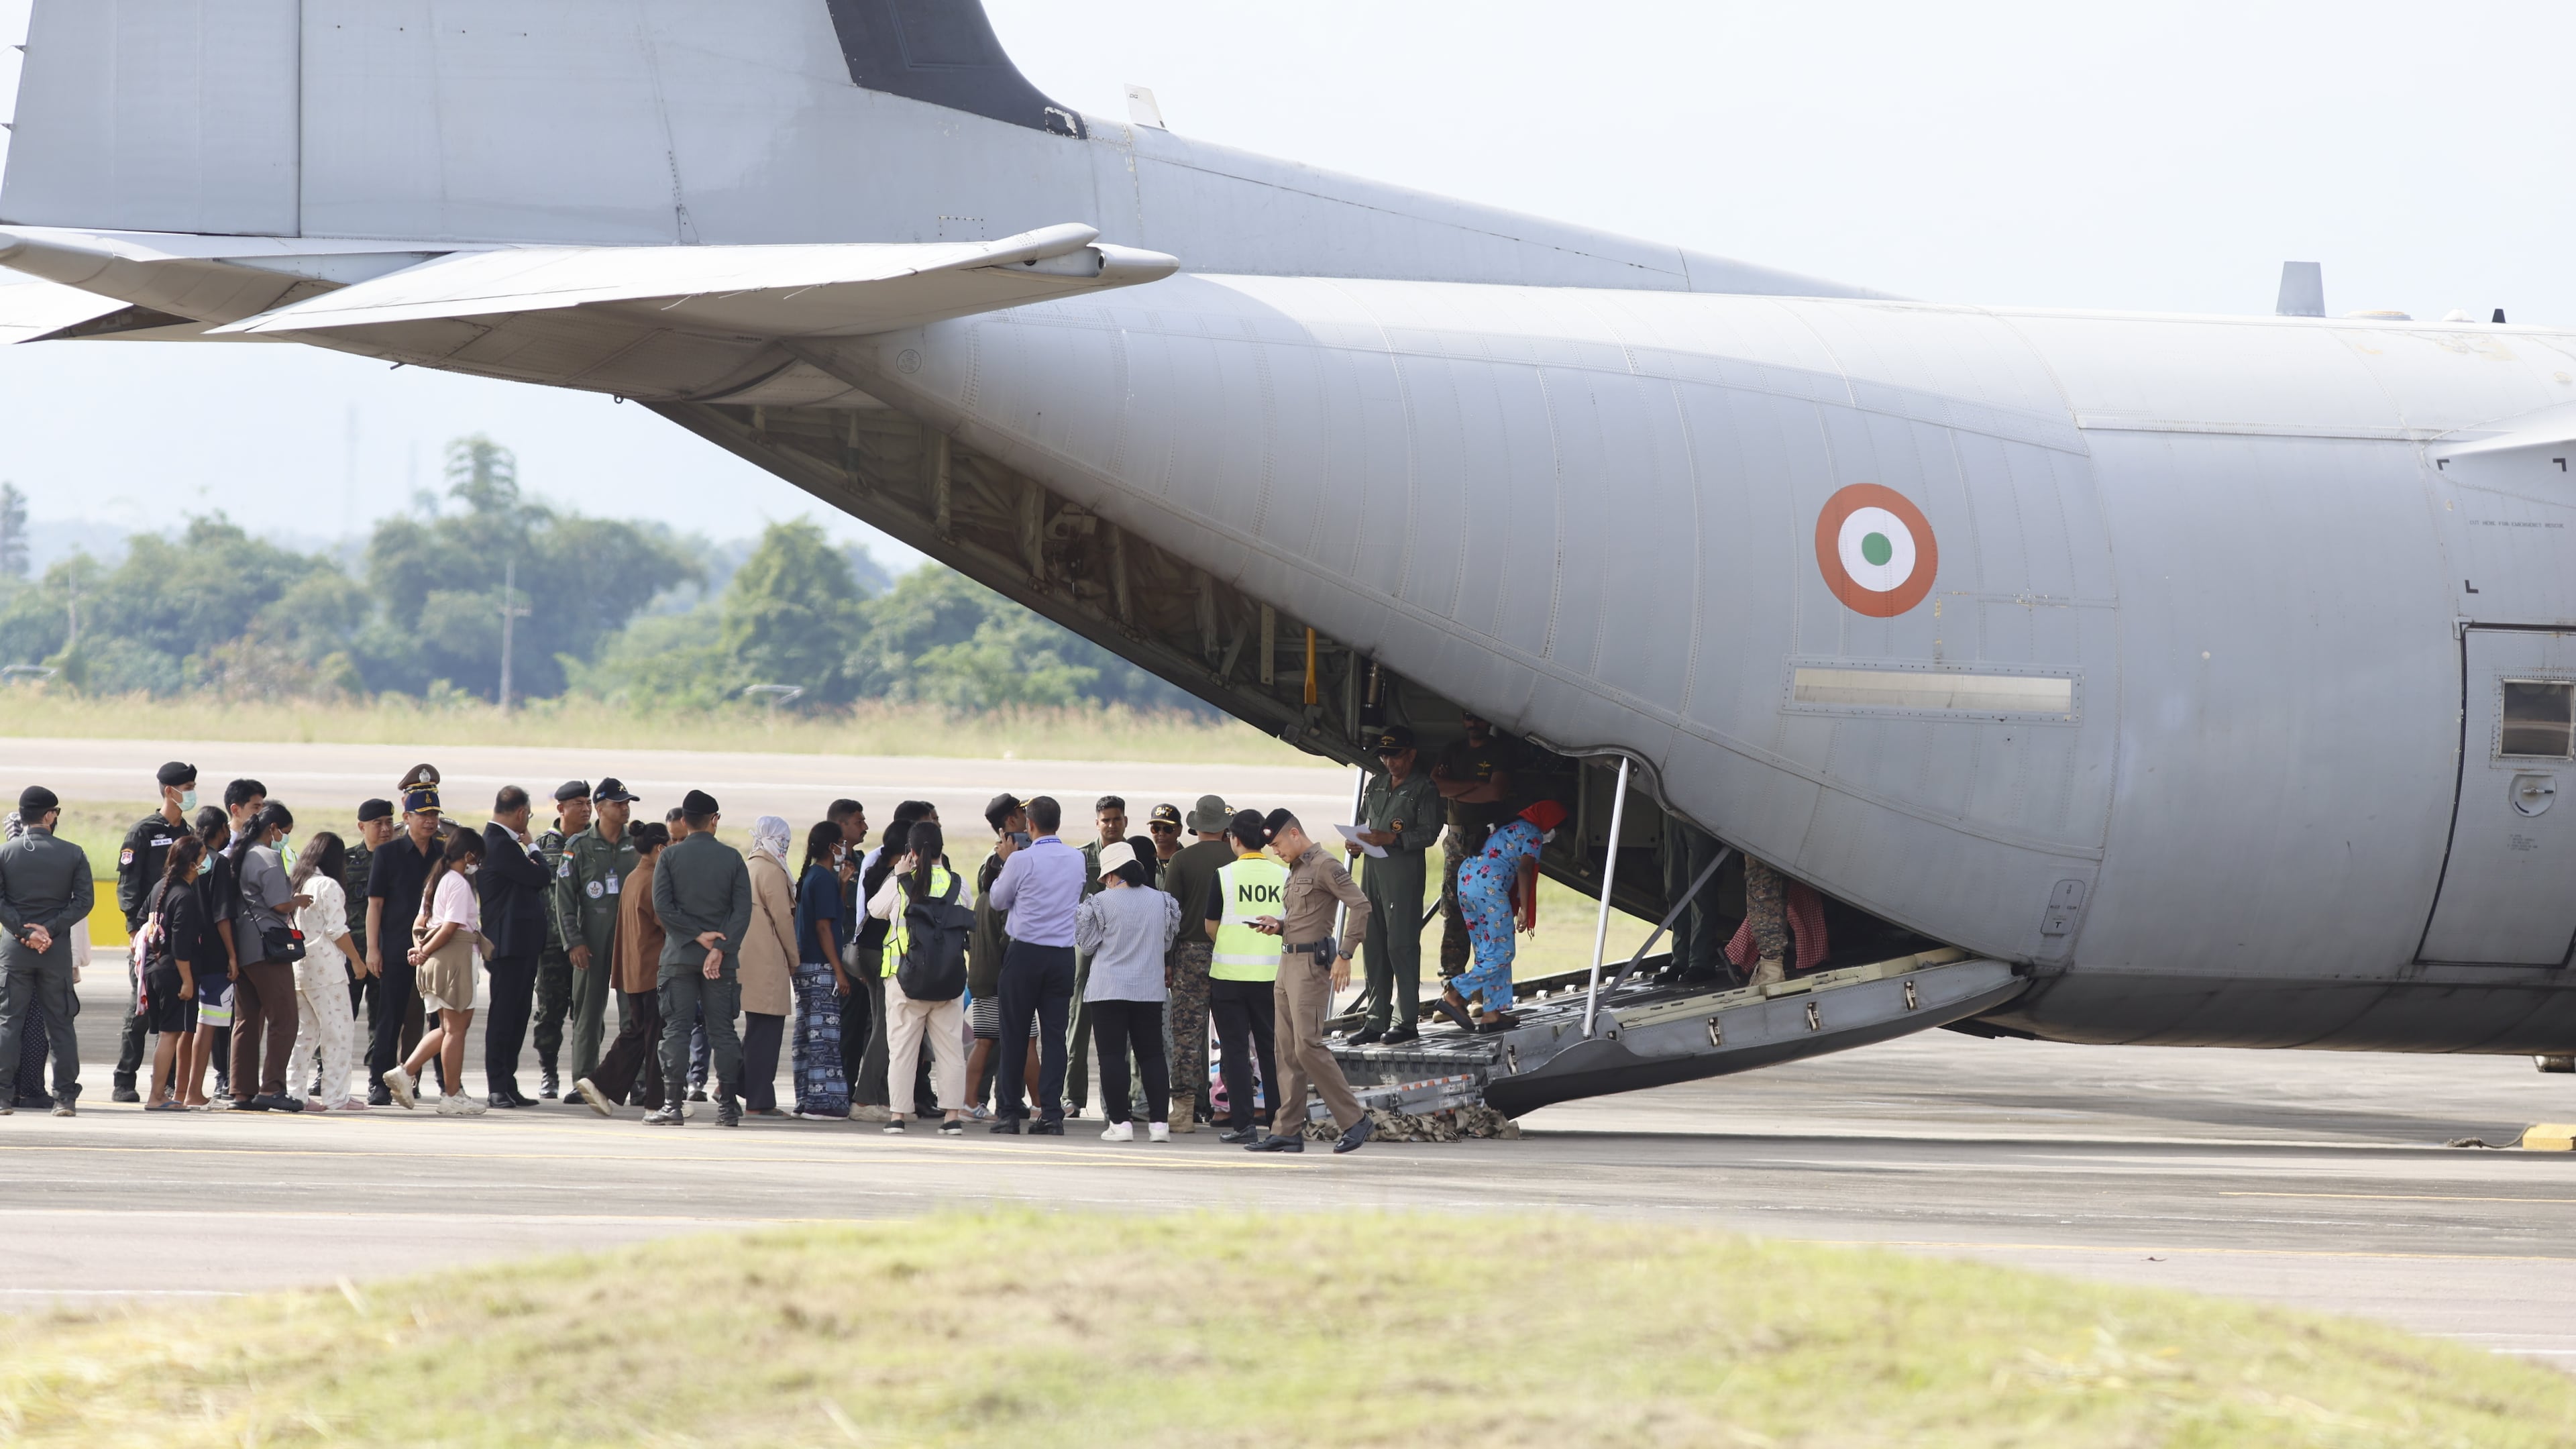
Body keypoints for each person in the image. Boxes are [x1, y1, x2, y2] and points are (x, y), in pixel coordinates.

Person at [1239, 809, 1375, 1155]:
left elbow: (1360, 906)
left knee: (1307, 1047)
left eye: (1279, 843)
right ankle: (1286, 1131)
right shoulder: (1297, 868)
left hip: (1311, 969)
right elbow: (1304, 915)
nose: (1276, 850)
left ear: (1295, 834)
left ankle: (1355, 1120)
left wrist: (1345, 954)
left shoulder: (1325, 865)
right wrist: (1279, 924)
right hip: (1287, 962)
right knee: (1285, 1051)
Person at [647, 790, 752, 1128]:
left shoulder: (669, 858)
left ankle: (672, 1105)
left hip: (679, 956)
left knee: (676, 1029)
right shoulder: (733, 859)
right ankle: (727, 1107)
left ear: (683, 822)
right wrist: (719, 947)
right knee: (722, 1030)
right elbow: (741, 910)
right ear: (714, 820)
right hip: (721, 961)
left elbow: (663, 907)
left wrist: (695, 936)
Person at [985, 795, 1083, 1134]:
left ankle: (1010, 1112)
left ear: (1029, 825)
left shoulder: (1020, 861)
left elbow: (998, 900)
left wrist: (1005, 861)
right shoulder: (1077, 859)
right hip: (1061, 955)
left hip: (1025, 953)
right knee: (1055, 1037)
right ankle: (1052, 1113)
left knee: (1014, 1034)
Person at [866, 820, 969, 1135]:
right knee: (951, 1049)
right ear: (941, 848)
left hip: (903, 978)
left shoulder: (900, 882)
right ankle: (952, 1116)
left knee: (902, 1049)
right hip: (948, 980)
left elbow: (874, 910)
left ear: (909, 852)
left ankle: (898, 1115)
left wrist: (897, 874)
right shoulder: (957, 884)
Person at [1076, 837, 1180, 1143]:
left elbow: (1088, 944)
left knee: (1111, 1057)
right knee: (1152, 1055)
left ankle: (1120, 1124)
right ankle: (1159, 1124)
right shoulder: (1162, 901)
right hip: (1148, 989)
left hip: (1107, 989)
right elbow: (1166, 943)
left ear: (1110, 875)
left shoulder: (1099, 902)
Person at [384, 822, 488, 1116]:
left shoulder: (436, 880)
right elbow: (451, 926)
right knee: (457, 1028)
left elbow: (420, 923)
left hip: (437, 961)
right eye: (477, 859)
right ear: (468, 856)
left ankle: (406, 1072)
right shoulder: (457, 883)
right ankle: (452, 1094)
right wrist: (424, 950)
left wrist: (421, 949)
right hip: (454, 959)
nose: (477, 866)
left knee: (446, 1027)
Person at [1348, 725, 1443, 1045]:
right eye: (1385, 755)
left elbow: (1430, 832)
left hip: (1402, 872)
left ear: (1411, 754)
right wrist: (1356, 842)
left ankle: (1406, 1020)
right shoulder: (1375, 784)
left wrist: (1395, 838)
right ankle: (1376, 1019)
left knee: (1400, 945)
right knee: (1373, 943)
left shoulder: (1423, 788)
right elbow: (1364, 822)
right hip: (1372, 872)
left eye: (1396, 755)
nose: (1390, 762)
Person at [1438, 798, 1568, 1032]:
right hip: (1489, 888)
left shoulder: (1507, 826)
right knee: (1503, 951)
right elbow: (1525, 869)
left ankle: (1492, 1013)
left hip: (1467, 882)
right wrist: (1525, 909)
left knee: (1488, 950)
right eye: (1555, 826)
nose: (1554, 833)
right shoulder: (1533, 832)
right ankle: (1455, 994)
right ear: (1547, 821)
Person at [0, 786, 91, 1116]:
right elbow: (84, 902)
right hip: (54, 952)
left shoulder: (6, 853)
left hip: (15, 949)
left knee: (9, 1022)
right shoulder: (73, 853)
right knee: (60, 1024)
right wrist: (48, 930)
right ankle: (65, 1096)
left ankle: (3, 1096)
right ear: (50, 815)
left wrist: (25, 932)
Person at [111, 760, 197, 1102]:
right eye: (187, 789)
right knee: (140, 1009)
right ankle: (124, 1080)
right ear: (169, 791)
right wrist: (135, 930)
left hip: (175, 938)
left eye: (192, 788)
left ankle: (169, 1082)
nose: (191, 794)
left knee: (175, 1013)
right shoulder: (143, 832)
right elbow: (127, 885)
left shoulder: (186, 833)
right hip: (148, 935)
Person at [573, 820, 671, 1116]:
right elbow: (667, 923)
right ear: (659, 848)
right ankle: (654, 1102)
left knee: (639, 1033)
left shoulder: (633, 877)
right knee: (652, 1036)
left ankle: (603, 1084)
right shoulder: (653, 880)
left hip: (633, 969)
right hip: (650, 970)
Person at [1201, 810, 1283, 1144]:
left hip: (1230, 977)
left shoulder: (1224, 875)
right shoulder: (1283, 874)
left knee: (1234, 1051)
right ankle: (1279, 1121)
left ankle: (1243, 1124)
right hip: (1271, 976)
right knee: (1270, 1050)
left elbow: (1211, 925)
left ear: (1233, 839)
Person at [364, 785, 445, 1104]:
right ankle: (379, 1081)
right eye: (423, 815)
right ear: (407, 818)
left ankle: (440, 1083)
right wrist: (373, 948)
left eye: (434, 814)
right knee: (390, 1017)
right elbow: (375, 905)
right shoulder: (389, 853)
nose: (429, 821)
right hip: (397, 947)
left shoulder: (444, 854)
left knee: (438, 1020)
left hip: (437, 949)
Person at [1157, 794, 1234, 1132]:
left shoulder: (1181, 860)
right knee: (1232, 1031)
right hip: (1231, 953)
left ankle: (1183, 1111)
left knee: (1187, 1035)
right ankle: (1234, 1105)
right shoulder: (1236, 858)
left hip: (1190, 954)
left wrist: (1167, 960)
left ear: (1196, 825)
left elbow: (1170, 916)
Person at [849, 806, 930, 1121]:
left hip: (866, 954)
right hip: (883, 956)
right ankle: (866, 1098)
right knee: (886, 1028)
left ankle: (883, 1097)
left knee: (880, 1025)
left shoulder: (873, 868)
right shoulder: (898, 876)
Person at [557, 779, 638, 1092]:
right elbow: (565, 899)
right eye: (619, 803)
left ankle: (637, 1080)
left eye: (627, 802)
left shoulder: (638, 843)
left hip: (631, 940)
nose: (625, 808)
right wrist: (573, 941)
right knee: (588, 1013)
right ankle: (584, 1081)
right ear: (601, 808)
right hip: (592, 938)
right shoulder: (578, 846)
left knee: (635, 1013)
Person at [227, 802, 309, 1113]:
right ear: (272, 828)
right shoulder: (269, 858)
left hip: (244, 949)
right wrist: (297, 900)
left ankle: (241, 1090)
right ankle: (272, 1088)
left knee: (247, 1021)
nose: (283, 838)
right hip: (267, 948)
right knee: (284, 1018)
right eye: (283, 832)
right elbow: (278, 905)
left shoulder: (241, 855)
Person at [478, 786, 553, 1108]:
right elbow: (542, 877)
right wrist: (533, 845)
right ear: (522, 814)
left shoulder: (501, 843)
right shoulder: (501, 844)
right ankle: (497, 1084)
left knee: (518, 1014)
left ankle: (508, 1083)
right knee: (504, 1016)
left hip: (520, 943)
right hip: (508, 945)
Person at [965, 794, 1040, 1122]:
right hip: (1001, 976)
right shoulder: (1001, 870)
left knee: (994, 1042)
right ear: (1010, 822)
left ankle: (990, 1100)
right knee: (1018, 1042)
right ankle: (1037, 1103)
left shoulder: (997, 873)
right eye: (1021, 814)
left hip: (988, 976)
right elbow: (1007, 933)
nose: (1027, 819)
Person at [1431, 712, 1519, 980]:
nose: (1473, 724)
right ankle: (1452, 983)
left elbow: (1495, 792)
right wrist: (1474, 785)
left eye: (1479, 720)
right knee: (1454, 911)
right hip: (1456, 840)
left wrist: (1455, 787)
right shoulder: (1453, 750)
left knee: (1486, 913)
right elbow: (1436, 786)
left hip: (1487, 841)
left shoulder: (1499, 751)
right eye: (1468, 719)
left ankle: (1482, 986)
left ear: (1489, 721)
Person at [288, 833, 367, 1110]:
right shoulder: (328, 885)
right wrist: (357, 960)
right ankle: (335, 1096)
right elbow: (337, 930)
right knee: (339, 1032)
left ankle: (296, 1092)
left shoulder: (300, 881)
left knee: (305, 1034)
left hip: (300, 969)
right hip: (327, 972)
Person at [1067, 794, 1129, 1118]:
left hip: (1123, 949)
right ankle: (1073, 1096)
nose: (1111, 825)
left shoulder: (1133, 858)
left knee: (1124, 1029)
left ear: (1125, 822)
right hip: (1087, 950)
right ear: (1097, 823)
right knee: (1078, 1022)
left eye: (1117, 819)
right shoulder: (1081, 858)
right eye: (1106, 820)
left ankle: (1122, 1101)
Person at [737, 814, 800, 1118]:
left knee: (755, 1031)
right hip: (768, 962)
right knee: (767, 1034)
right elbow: (784, 921)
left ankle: (736, 1084)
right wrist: (795, 958)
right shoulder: (773, 872)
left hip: (747, 962)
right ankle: (759, 1101)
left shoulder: (749, 867)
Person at [139, 835, 208, 1112]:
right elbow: (181, 945)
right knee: (171, 1034)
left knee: (166, 1034)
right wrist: (188, 981)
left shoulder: (160, 889)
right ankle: (157, 1096)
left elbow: (143, 921)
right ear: (193, 864)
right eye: (203, 858)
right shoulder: (185, 896)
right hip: (174, 972)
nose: (206, 862)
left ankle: (158, 1094)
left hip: (155, 968)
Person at [531, 781, 591, 1098]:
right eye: (578, 803)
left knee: (586, 1014)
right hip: (553, 945)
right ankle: (549, 1073)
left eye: (588, 803)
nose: (585, 809)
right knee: (549, 1013)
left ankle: (585, 1077)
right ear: (561, 808)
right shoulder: (541, 847)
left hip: (588, 944)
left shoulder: (595, 844)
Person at [790, 820, 853, 1120]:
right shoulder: (823, 879)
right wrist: (839, 971)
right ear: (832, 846)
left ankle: (806, 1096)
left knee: (807, 1032)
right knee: (823, 1035)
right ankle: (822, 1101)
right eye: (841, 842)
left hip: (805, 965)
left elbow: (827, 914)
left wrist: (841, 885)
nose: (845, 847)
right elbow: (824, 927)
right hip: (820, 967)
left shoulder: (816, 877)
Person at [182, 808, 239, 1108]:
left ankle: (181, 1089)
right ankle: (194, 1090)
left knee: (185, 1024)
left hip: (185, 953)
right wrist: (232, 955)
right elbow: (223, 916)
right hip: (214, 954)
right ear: (221, 831)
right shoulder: (219, 863)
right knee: (209, 1023)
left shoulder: (182, 861)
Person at [342, 798, 394, 1060]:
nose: (385, 829)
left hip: (387, 951)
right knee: (341, 1014)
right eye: (378, 824)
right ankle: (325, 1069)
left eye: (389, 823)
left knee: (383, 1017)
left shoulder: (400, 861)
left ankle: (379, 1070)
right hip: (351, 952)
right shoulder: (346, 861)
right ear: (362, 827)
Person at [1145, 803, 1184, 879]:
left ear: (1179, 830)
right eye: (1156, 829)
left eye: (1168, 829)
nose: (1161, 834)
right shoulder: (1145, 862)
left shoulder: (1188, 861)